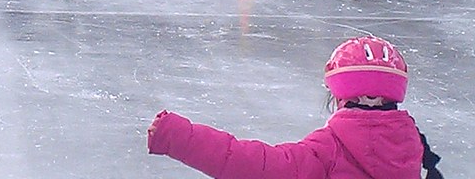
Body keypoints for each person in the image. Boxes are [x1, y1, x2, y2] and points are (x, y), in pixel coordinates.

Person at [147, 35, 445, 179]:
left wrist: (176, 136)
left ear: (339, 96)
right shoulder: (411, 144)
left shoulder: (328, 148)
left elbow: (255, 165)